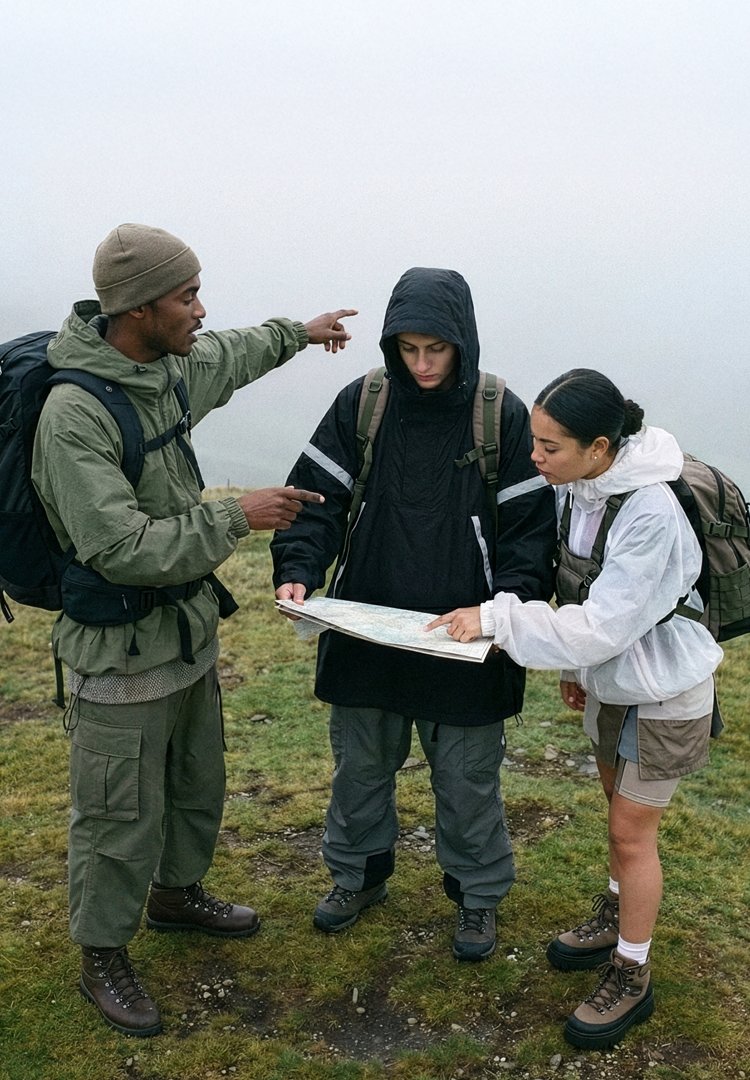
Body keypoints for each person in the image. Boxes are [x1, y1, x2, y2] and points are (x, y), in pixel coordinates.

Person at [30, 222, 356, 1037]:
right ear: (139, 309)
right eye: (188, 296)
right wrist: (237, 517)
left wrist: (300, 332)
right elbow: (119, 548)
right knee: (116, 815)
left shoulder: (165, 370)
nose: (201, 310)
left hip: (184, 641)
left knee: (195, 783)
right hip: (118, 655)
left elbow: (232, 355)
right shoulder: (74, 416)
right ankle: (102, 952)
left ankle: (176, 895)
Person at [428, 368, 724, 1049]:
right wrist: (576, 668)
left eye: (550, 446)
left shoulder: (649, 512)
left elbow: (604, 624)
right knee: (616, 814)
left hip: (666, 691)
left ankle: (632, 972)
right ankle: (616, 918)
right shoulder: (583, 489)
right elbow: (583, 594)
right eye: (535, 440)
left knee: (630, 834)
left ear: (599, 447)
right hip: (615, 683)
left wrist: (497, 618)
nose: (535, 456)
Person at [270, 267, 557, 960]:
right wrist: (298, 572)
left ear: (463, 341)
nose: (423, 365)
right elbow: (316, 499)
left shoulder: (500, 414)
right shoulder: (363, 403)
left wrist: (502, 612)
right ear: (391, 345)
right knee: (359, 771)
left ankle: (477, 896)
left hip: (466, 638)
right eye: (408, 349)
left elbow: (529, 534)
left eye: (437, 349)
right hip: (365, 628)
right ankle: (356, 877)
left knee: (467, 780)